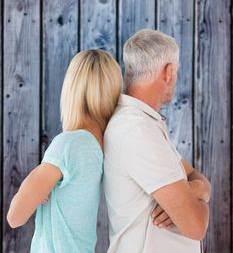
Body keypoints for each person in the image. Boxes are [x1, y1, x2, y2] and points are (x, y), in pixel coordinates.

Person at [104, 29, 211, 253]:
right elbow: (196, 225)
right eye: (177, 71)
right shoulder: (135, 129)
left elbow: (195, 177)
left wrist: (195, 191)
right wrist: (198, 202)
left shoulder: (144, 124)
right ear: (168, 72)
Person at [7, 49, 122, 253]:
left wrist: (33, 180)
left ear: (71, 90)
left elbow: (15, 217)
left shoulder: (68, 144)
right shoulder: (102, 146)